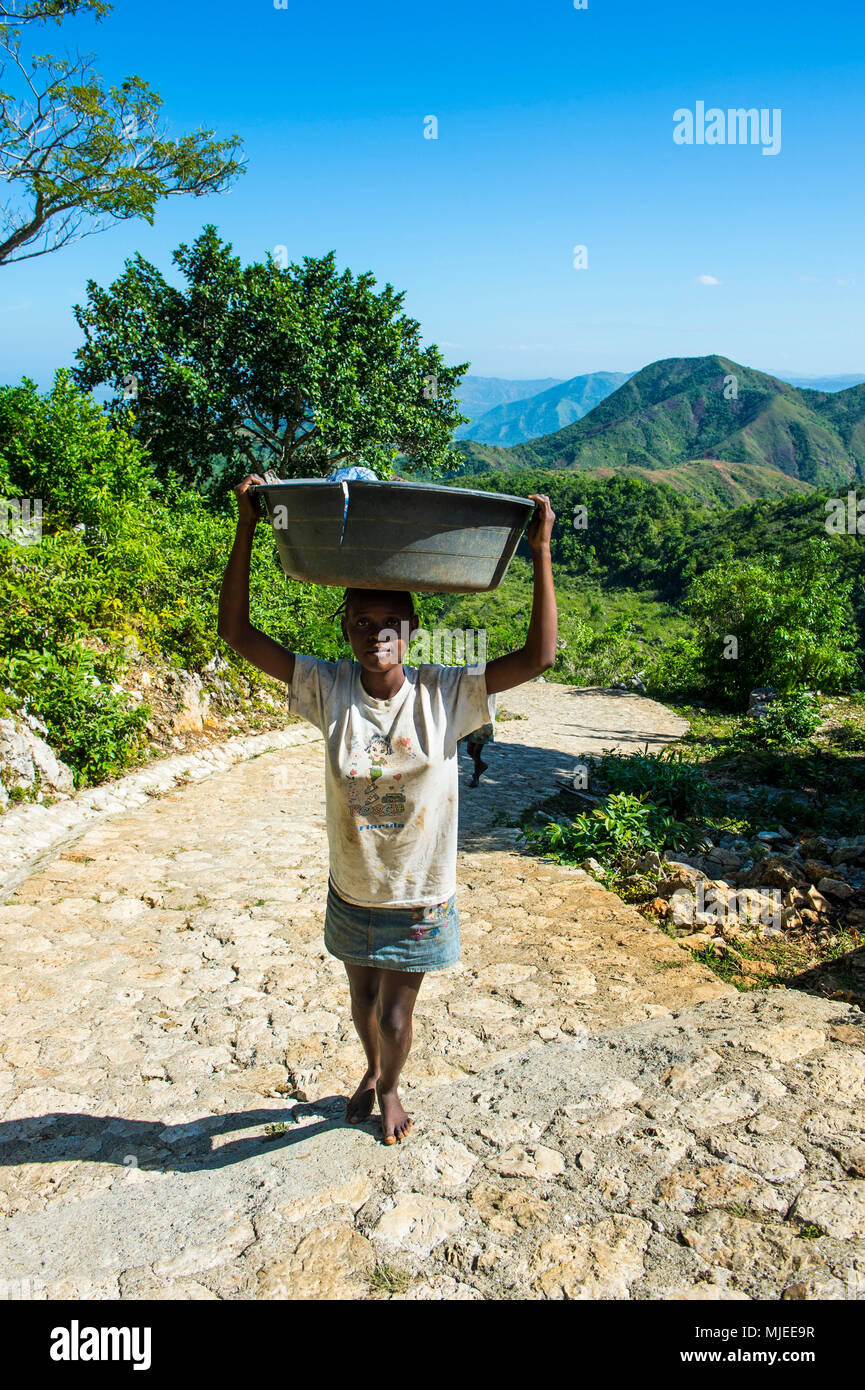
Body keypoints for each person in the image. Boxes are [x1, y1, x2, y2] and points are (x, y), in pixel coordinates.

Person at [218, 475, 557, 1144]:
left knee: (396, 1016)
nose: (376, 634)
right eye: (362, 621)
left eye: (390, 623)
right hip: (353, 888)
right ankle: (371, 1069)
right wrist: (248, 526)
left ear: (412, 630)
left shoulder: (446, 695)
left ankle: (390, 1086)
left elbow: (539, 655)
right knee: (362, 1001)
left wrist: (540, 549)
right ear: (344, 629)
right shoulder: (326, 687)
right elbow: (236, 631)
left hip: (419, 895)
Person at [462, 720, 494, 787]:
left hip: (484, 723)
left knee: (476, 752)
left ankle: (476, 777)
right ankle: (482, 765)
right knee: (469, 750)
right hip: (474, 721)